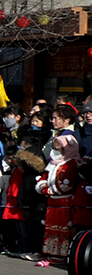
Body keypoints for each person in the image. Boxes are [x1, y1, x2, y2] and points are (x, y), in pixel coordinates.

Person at [40, 104, 91, 261]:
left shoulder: (70, 160)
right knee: (53, 228)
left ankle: (65, 254)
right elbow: (47, 176)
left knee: (65, 229)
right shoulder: (56, 161)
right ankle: (53, 252)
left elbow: (66, 182)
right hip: (54, 201)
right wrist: (42, 185)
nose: (53, 121)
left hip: (64, 200)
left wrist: (51, 190)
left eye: (56, 118)